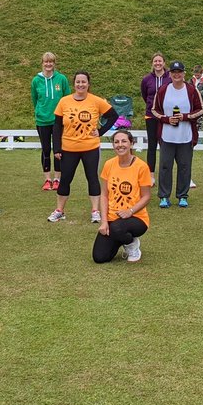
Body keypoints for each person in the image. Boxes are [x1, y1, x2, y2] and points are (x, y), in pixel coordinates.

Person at [48, 72, 118, 224]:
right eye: (78, 82)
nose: (81, 84)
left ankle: (95, 211)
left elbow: (114, 116)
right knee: (65, 179)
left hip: (90, 147)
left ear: (88, 84)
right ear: (74, 84)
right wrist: (57, 148)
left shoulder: (96, 101)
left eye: (83, 82)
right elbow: (57, 126)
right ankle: (59, 210)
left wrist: (100, 131)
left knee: (92, 178)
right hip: (68, 148)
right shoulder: (64, 101)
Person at [93, 128, 153, 263]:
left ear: (131, 144)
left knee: (117, 228)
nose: (120, 145)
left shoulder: (141, 167)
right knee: (100, 257)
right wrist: (104, 222)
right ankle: (121, 239)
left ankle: (131, 243)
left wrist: (130, 211)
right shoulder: (109, 164)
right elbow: (104, 195)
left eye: (124, 141)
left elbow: (146, 196)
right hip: (113, 217)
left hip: (136, 217)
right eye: (116, 142)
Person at [151, 60, 203, 208]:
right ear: (170, 74)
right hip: (167, 136)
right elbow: (154, 110)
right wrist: (167, 119)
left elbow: (201, 109)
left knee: (184, 166)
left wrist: (185, 117)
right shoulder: (163, 90)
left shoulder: (192, 90)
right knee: (165, 167)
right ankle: (164, 196)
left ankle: (182, 196)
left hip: (185, 136)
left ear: (184, 73)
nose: (177, 75)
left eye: (179, 72)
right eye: (174, 72)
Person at [31, 52, 69, 190]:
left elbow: (67, 98)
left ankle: (57, 179)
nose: (48, 64)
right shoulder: (36, 81)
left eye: (51, 62)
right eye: (46, 62)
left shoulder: (61, 79)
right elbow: (35, 99)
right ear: (42, 63)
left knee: (58, 150)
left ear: (54, 63)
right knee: (46, 149)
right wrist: (40, 112)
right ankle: (47, 179)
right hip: (42, 120)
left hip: (58, 120)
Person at [140, 53, 171, 175]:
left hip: (166, 116)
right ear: (152, 63)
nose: (157, 63)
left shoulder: (170, 78)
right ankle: (151, 174)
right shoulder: (146, 79)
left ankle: (165, 172)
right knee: (152, 145)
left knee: (166, 144)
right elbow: (145, 95)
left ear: (164, 63)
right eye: (155, 61)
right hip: (151, 116)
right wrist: (152, 107)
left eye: (160, 61)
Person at [191, 64, 203, 131]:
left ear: (201, 73)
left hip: (202, 103)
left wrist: (198, 94)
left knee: (200, 121)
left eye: (198, 75)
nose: (196, 76)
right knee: (193, 120)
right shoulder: (191, 80)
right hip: (192, 103)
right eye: (195, 75)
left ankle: (200, 139)